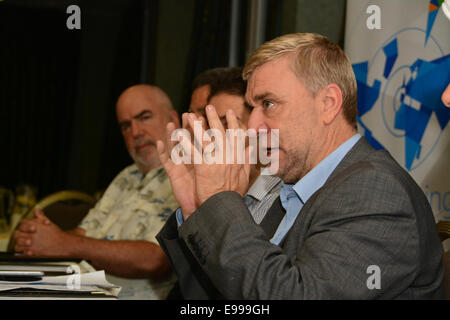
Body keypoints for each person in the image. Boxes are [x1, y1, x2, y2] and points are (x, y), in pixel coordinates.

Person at [156, 33, 444, 299]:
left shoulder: (375, 191)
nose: (253, 125)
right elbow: (221, 296)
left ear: (328, 103)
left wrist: (221, 202)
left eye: (268, 103)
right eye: (252, 107)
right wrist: (198, 210)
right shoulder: (289, 188)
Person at [13, 84, 181, 300]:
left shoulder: (186, 174)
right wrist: (41, 237)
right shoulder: (127, 176)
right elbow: (85, 233)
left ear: (174, 120)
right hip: (82, 285)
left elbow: (157, 259)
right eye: (125, 126)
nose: (135, 132)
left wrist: (64, 244)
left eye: (145, 117)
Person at [157, 67, 282, 299]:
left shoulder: (286, 200)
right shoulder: (205, 187)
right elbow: (195, 291)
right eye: (208, 125)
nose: (210, 137)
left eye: (226, 124)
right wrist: (194, 212)